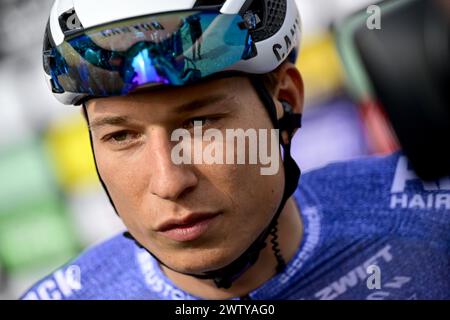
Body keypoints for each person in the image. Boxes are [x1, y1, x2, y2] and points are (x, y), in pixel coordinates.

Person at [22, 0, 449, 300]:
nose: (170, 182)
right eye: (121, 136)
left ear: (287, 102)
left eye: (199, 124)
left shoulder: (436, 218)